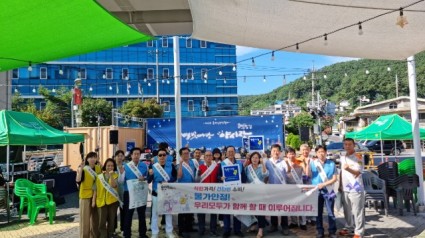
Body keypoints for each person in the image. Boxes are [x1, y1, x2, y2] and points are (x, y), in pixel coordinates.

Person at [307, 145, 338, 238]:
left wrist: (324, 184)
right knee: (318, 212)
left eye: (322, 151)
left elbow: (335, 178)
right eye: (319, 152)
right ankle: (320, 230)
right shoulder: (313, 163)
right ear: (316, 153)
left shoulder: (331, 163)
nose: (321, 153)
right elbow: (308, 175)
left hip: (329, 190)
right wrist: (308, 164)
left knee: (330, 212)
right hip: (317, 190)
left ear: (326, 152)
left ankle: (332, 231)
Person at [217, 145, 246, 238]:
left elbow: (244, 176)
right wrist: (220, 178)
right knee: (227, 211)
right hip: (226, 190)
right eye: (229, 151)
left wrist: (241, 182)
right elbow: (218, 176)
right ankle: (226, 230)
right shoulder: (222, 164)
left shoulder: (240, 164)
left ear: (235, 152)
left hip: (237, 190)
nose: (230, 153)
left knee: (237, 211)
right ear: (226, 153)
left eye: (232, 151)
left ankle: (237, 230)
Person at [119, 147, 149, 238]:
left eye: (138, 154)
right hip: (129, 193)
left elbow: (148, 178)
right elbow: (121, 181)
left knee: (141, 214)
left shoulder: (145, 166)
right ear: (131, 155)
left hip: (140, 193)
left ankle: (142, 233)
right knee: (128, 214)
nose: (136, 155)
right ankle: (127, 234)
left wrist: (145, 178)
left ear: (140, 155)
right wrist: (121, 173)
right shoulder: (125, 166)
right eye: (134, 154)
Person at [148, 148, 177, 238]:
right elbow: (148, 181)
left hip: (167, 193)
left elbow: (174, 178)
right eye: (160, 155)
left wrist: (168, 181)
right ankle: (154, 232)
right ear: (157, 156)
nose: (162, 157)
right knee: (155, 213)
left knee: (168, 212)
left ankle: (169, 231)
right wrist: (151, 174)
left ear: (166, 156)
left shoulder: (171, 166)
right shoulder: (152, 166)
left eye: (164, 155)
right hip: (156, 193)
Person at [339, 138, 365, 238]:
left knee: (358, 210)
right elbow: (341, 172)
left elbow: (358, 172)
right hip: (345, 188)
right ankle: (349, 228)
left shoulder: (358, 156)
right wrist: (340, 185)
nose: (347, 146)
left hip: (356, 187)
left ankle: (359, 232)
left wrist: (348, 169)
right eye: (345, 144)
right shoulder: (342, 157)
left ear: (354, 145)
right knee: (347, 210)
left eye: (350, 144)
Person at [265, 144, 290, 236]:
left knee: (283, 208)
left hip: (282, 189)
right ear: (271, 152)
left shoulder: (283, 162)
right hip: (272, 189)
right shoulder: (267, 162)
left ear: (280, 152)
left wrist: (287, 162)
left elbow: (288, 170)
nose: (275, 152)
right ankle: (274, 225)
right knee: (273, 208)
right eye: (273, 151)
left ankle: (284, 226)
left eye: (277, 151)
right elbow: (265, 174)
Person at [76, 152, 102, 238]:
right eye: (91, 157)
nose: (93, 159)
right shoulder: (83, 168)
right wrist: (80, 169)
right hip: (85, 196)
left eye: (95, 157)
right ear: (87, 159)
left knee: (96, 218)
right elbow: (78, 180)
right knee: (85, 219)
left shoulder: (98, 168)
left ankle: (95, 236)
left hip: (96, 196)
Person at [244, 152, 268, 238]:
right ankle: (254, 225)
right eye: (253, 157)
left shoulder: (262, 167)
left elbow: (266, 174)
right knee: (252, 210)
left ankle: (261, 229)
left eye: (257, 157)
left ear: (259, 159)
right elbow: (244, 177)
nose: (254, 159)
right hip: (251, 192)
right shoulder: (247, 168)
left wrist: (263, 163)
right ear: (251, 159)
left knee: (260, 211)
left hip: (260, 192)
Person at [94, 158, 120, 238]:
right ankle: (103, 236)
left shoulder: (116, 176)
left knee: (111, 221)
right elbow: (95, 189)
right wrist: (93, 201)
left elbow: (113, 185)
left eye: (112, 166)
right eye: (108, 165)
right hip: (101, 202)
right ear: (105, 166)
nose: (110, 167)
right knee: (102, 222)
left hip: (112, 202)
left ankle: (110, 235)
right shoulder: (99, 177)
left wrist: (111, 175)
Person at [196, 150, 220, 237]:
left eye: (210, 155)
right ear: (204, 157)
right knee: (201, 212)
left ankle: (213, 230)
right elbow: (197, 180)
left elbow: (218, 178)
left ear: (212, 157)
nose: (208, 157)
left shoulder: (216, 167)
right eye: (207, 156)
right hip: (202, 193)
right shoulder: (200, 167)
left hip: (214, 193)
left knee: (213, 213)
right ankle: (201, 229)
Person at [285, 147, 307, 231]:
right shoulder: (284, 163)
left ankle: (303, 223)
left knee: (301, 205)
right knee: (292, 205)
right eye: (290, 153)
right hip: (289, 187)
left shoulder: (299, 162)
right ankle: (294, 222)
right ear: (287, 155)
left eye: (293, 153)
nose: (291, 155)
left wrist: (304, 164)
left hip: (300, 186)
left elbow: (305, 173)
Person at [177, 147, 197, 238]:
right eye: (184, 153)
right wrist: (181, 164)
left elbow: (196, 175)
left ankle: (189, 227)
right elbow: (179, 177)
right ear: (181, 155)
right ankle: (181, 229)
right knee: (182, 210)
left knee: (190, 209)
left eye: (187, 153)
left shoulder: (193, 163)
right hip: (182, 190)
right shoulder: (178, 165)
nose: (186, 155)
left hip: (191, 188)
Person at [297, 144, 316, 226]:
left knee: (311, 201)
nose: (305, 151)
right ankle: (303, 221)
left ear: (309, 150)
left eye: (306, 149)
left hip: (311, 183)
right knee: (302, 202)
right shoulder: (297, 160)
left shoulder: (313, 160)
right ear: (300, 151)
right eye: (303, 150)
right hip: (301, 184)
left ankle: (312, 218)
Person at [114, 150, 126, 233]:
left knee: (123, 211)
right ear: (115, 157)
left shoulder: (126, 167)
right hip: (113, 192)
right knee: (113, 212)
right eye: (118, 155)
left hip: (123, 192)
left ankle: (123, 228)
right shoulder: (111, 166)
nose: (120, 157)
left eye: (121, 155)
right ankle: (113, 228)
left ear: (123, 157)